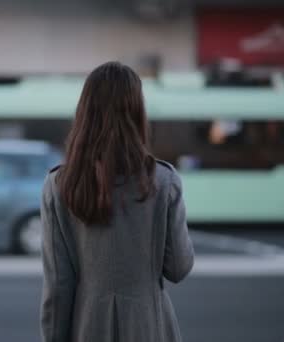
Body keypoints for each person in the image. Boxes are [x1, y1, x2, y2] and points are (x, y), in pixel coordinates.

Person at [40, 61, 194, 342]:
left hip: (87, 328)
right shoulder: (164, 180)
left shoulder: (59, 185)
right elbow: (179, 267)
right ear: (137, 112)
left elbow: (58, 287)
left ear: (84, 112)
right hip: (150, 328)